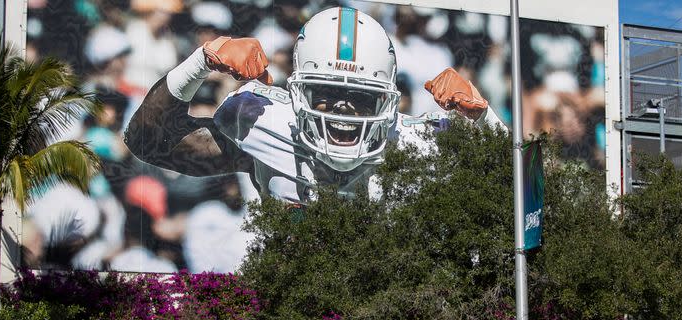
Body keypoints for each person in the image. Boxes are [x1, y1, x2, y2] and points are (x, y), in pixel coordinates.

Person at [125, 6, 504, 205]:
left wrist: (486, 122)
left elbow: (531, 203)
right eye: (325, 92)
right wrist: (200, 62)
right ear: (298, 92)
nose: (341, 108)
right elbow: (148, 143)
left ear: (387, 100)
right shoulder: (262, 121)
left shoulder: (419, 144)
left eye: (359, 97)